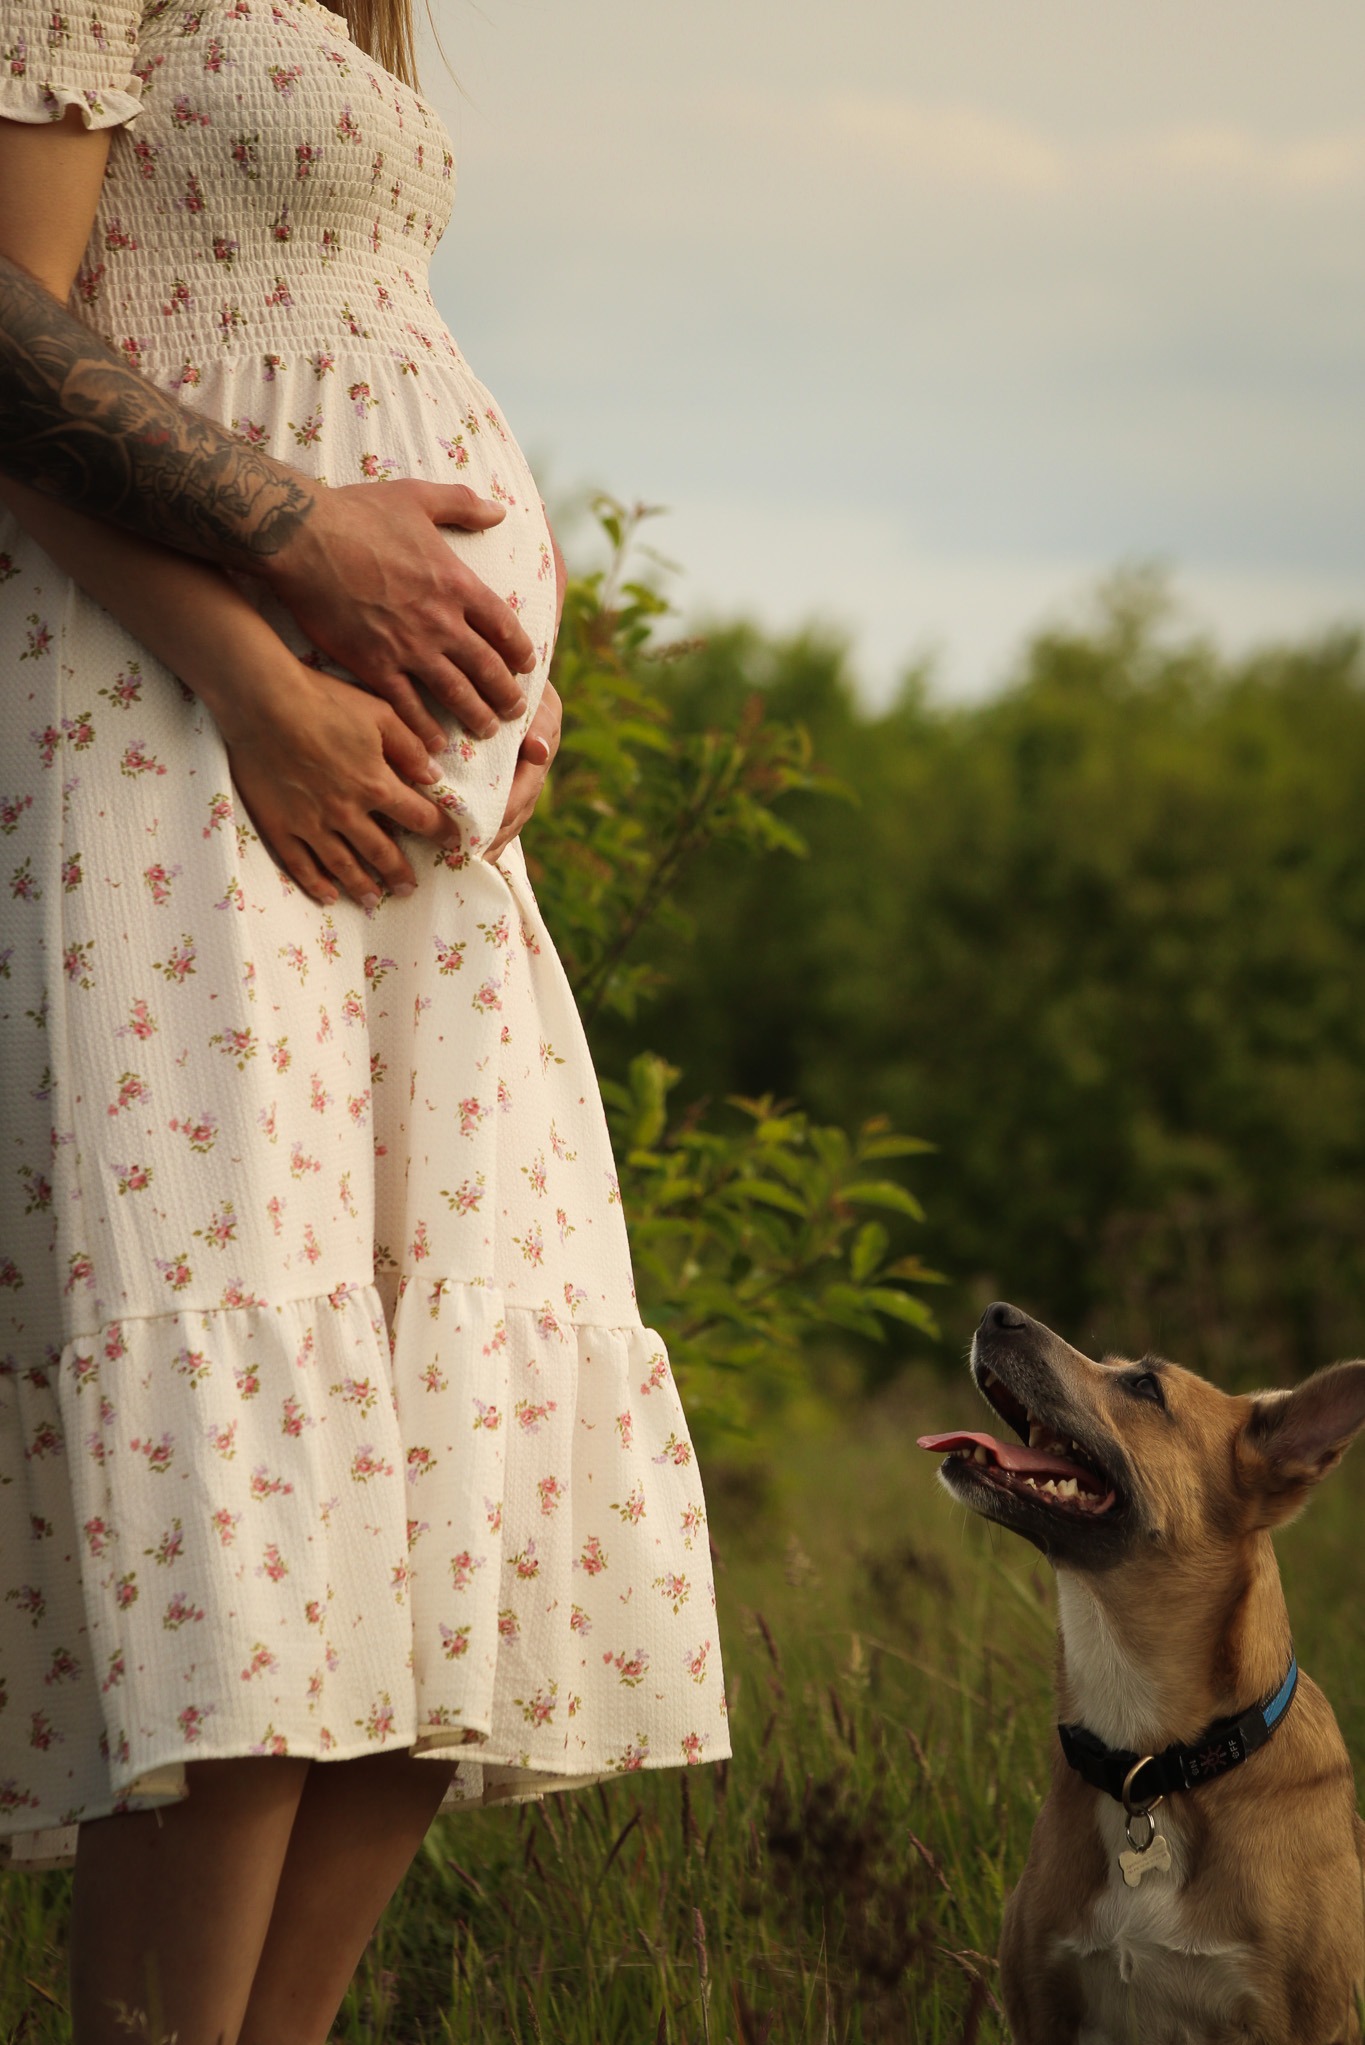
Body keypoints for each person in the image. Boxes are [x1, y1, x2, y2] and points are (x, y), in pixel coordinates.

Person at [0, 0, 729, 2036]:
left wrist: (510, 672)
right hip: (182, 744)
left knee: (432, 1484)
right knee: (249, 1509)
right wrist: (258, 668)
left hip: (411, 811)